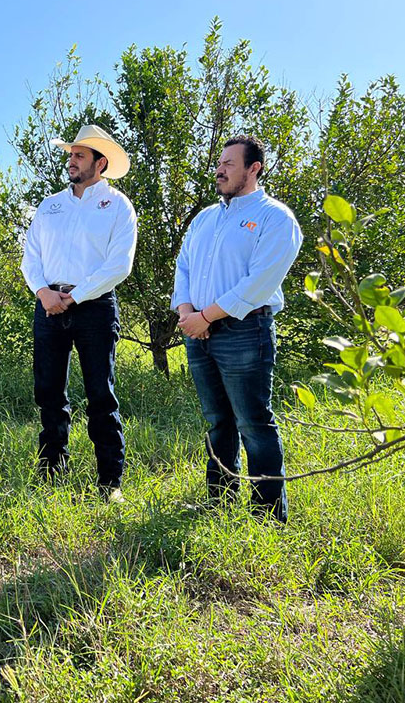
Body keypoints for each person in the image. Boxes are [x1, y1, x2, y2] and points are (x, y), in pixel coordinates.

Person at [172, 134, 302, 523]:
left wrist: (206, 316)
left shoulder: (275, 218)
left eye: (229, 163)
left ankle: (266, 516)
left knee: (254, 423)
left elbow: (259, 282)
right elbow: (184, 267)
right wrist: (187, 313)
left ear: (253, 168)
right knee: (217, 422)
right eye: (219, 162)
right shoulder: (206, 218)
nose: (220, 168)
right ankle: (219, 502)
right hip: (198, 331)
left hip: (245, 332)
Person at [20, 125, 137, 501]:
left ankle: (110, 483)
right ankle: (52, 471)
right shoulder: (50, 205)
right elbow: (31, 257)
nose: (71, 161)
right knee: (49, 393)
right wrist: (43, 292)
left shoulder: (118, 206)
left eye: (79, 155)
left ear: (100, 163)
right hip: (48, 305)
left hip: (95, 307)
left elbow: (120, 264)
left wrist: (77, 296)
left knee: (100, 394)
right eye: (70, 155)